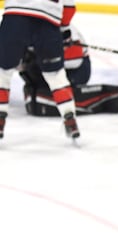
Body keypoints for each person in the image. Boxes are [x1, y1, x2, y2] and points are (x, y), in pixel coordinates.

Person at [0, 0, 80, 140]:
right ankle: (69, 118)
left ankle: (0, 119)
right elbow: (69, 7)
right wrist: (63, 30)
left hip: (14, 20)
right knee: (55, 75)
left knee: (3, 72)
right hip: (47, 23)